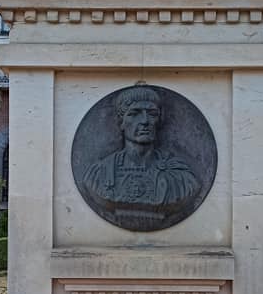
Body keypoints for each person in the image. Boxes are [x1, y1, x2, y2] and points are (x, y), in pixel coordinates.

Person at [81, 85, 200, 229]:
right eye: (134, 113)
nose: (145, 121)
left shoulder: (181, 178)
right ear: (121, 121)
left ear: (159, 120)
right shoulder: (99, 174)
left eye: (152, 114)